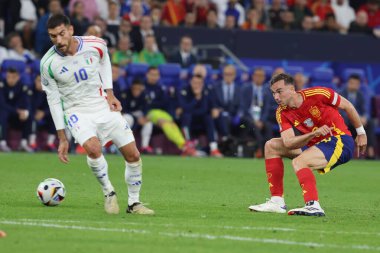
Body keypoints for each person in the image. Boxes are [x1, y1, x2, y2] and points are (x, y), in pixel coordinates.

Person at [40, 14, 154, 215]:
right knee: (93, 149)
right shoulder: (48, 64)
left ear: (71, 30)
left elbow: (105, 60)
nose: (58, 40)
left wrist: (110, 93)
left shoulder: (96, 44)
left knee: (133, 154)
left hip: (102, 106)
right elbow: (54, 100)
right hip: (76, 111)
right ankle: (109, 192)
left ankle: (134, 203)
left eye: (61, 34)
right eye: (52, 36)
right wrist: (62, 137)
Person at [248, 73, 367, 216]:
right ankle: (276, 202)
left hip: (339, 140)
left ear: (292, 89)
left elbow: (347, 105)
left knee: (300, 161)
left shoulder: (318, 93)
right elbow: (288, 142)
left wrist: (361, 133)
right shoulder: (281, 112)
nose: (276, 97)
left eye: (279, 91)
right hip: (315, 143)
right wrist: (312, 135)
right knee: (271, 145)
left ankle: (313, 205)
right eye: (273, 93)